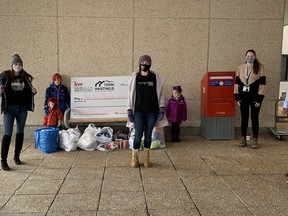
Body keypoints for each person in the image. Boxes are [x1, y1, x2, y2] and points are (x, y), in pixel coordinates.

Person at [127, 55, 168, 168]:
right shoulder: (135, 77)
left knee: (149, 134)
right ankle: (134, 159)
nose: (144, 64)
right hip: (138, 111)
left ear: (150, 64)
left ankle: (146, 159)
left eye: (147, 62)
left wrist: (161, 108)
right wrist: (129, 110)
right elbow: (130, 95)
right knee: (138, 134)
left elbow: (161, 95)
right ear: (139, 63)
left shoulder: (155, 77)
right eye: (142, 62)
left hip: (152, 112)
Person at [0, 53, 37, 171]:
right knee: (7, 134)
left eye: (20, 64)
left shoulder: (25, 77)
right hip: (9, 109)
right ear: (12, 65)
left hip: (21, 109)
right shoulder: (5, 76)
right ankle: (4, 161)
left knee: (20, 132)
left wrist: (33, 92)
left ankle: (16, 157)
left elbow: (28, 93)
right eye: (16, 64)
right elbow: (1, 90)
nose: (18, 66)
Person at [234, 49, 266, 149]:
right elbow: (237, 83)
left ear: (255, 56)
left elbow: (263, 84)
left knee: (254, 118)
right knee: (244, 118)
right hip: (243, 97)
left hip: (255, 98)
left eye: (251, 56)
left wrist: (259, 99)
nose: (249, 57)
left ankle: (255, 139)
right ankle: (243, 138)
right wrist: (237, 98)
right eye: (248, 56)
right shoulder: (241, 67)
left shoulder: (260, 67)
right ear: (245, 56)